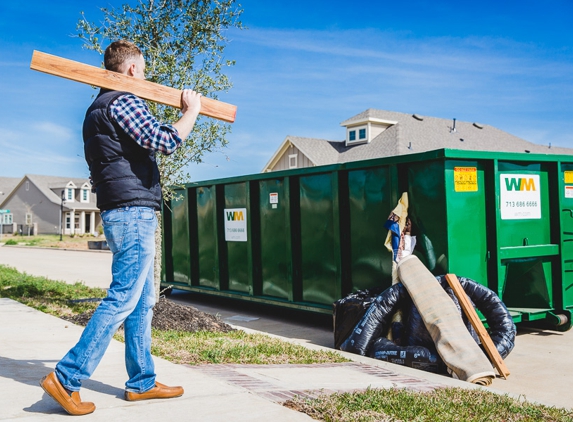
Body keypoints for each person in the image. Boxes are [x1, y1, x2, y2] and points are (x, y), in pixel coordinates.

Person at [40, 40, 202, 416]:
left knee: (143, 302)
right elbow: (163, 140)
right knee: (124, 298)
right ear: (130, 70)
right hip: (132, 213)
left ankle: (142, 381)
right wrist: (190, 110)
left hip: (123, 210)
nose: (144, 77)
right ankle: (66, 377)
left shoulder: (96, 109)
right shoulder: (123, 99)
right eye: (143, 70)